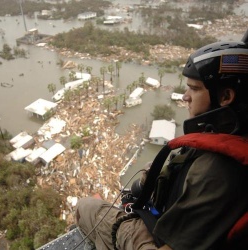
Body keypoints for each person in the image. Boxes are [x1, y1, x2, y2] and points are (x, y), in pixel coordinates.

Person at [75, 30, 248, 250]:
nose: (185, 97)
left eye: (194, 89)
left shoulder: (215, 171)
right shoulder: (233, 140)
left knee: (86, 206)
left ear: (225, 97)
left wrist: (127, 226)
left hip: (158, 241)